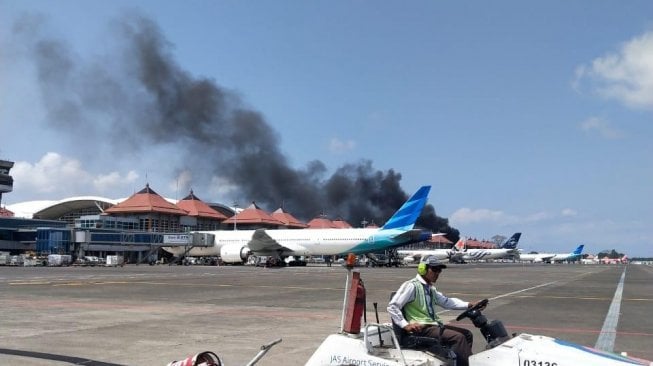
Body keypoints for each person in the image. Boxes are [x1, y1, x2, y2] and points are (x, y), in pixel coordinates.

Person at [387, 255, 486, 366]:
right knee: (458, 338)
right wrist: (405, 325)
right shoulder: (411, 286)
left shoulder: (430, 289)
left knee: (467, 334)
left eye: (439, 270)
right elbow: (393, 306)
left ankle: (458, 362)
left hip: (432, 326)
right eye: (434, 269)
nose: (437, 273)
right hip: (421, 329)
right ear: (422, 269)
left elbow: (447, 302)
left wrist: (469, 304)